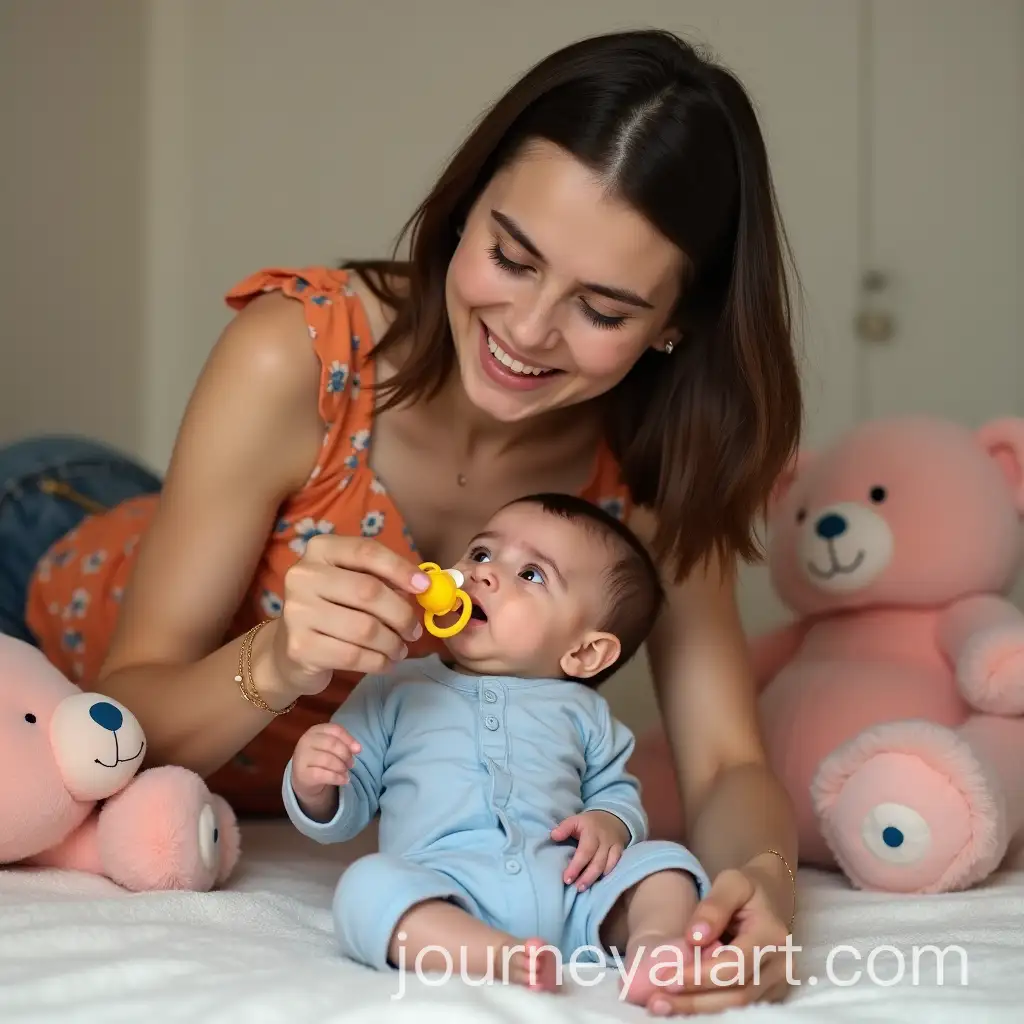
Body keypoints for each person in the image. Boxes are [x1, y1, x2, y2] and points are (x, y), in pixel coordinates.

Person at [0, 28, 801, 1015]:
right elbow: (116, 715)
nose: (527, 329)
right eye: (511, 256)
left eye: (602, 309)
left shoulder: (658, 472)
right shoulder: (298, 355)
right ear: (464, 214)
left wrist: (765, 887)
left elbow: (725, 764)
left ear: (674, 324)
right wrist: (278, 660)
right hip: (41, 544)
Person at [286, 493, 713, 1005]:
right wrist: (316, 783)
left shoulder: (585, 713)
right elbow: (347, 806)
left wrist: (610, 822)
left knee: (667, 864)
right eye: (481, 553)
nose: (483, 574)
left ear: (584, 652)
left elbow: (616, 793)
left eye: (532, 574)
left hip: (573, 893)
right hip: (441, 889)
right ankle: (498, 956)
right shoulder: (394, 687)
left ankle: (656, 948)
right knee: (365, 888)